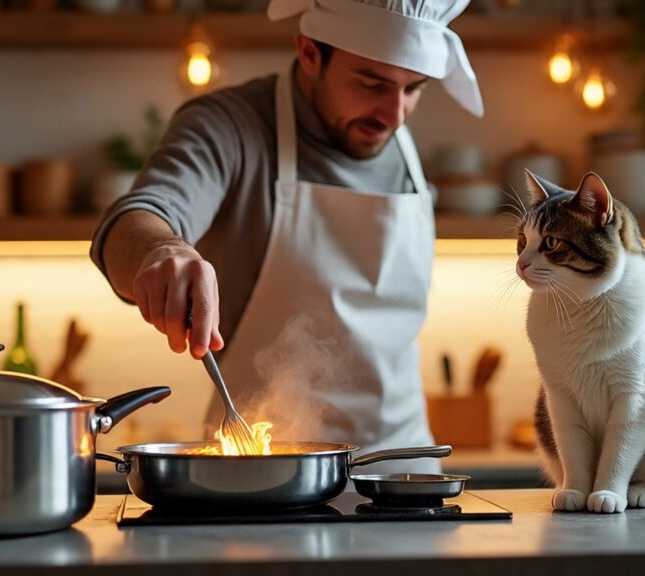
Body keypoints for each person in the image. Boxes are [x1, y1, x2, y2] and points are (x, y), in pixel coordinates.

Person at [90, 0, 483, 472]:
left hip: (402, 472)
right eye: (370, 82)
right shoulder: (231, 125)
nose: (394, 114)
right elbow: (138, 215)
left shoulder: (388, 130)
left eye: (414, 89)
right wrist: (162, 249)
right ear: (310, 52)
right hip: (261, 474)